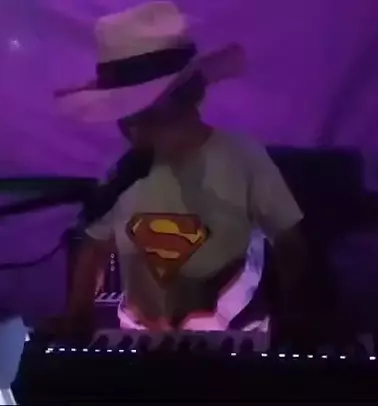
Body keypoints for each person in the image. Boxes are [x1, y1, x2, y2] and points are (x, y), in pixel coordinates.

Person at [44, 1, 313, 340]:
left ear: (187, 97)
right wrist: (79, 315)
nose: (129, 127)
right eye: (124, 115)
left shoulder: (242, 157)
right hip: (140, 338)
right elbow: (95, 247)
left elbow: (289, 242)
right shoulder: (126, 172)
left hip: (234, 338)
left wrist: (298, 314)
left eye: (143, 113)